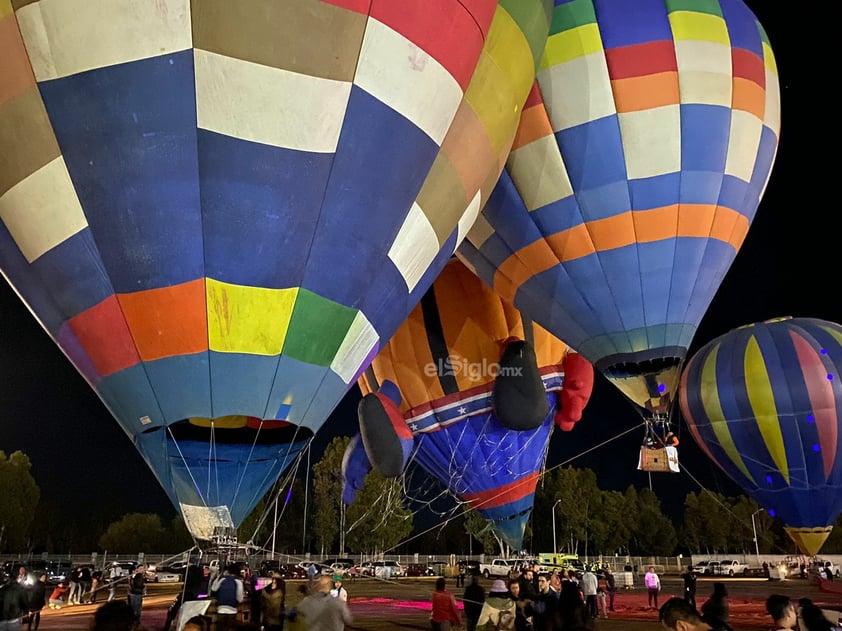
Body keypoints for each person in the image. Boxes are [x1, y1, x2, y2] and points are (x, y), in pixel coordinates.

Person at [210, 564, 244, 631]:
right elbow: (240, 599)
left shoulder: (223, 580)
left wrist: (218, 577)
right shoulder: (238, 582)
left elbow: (213, 589)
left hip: (221, 609)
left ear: (228, 571)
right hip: (232, 610)